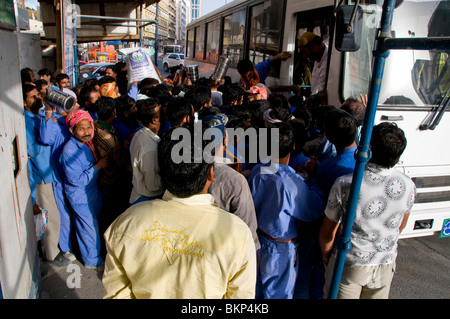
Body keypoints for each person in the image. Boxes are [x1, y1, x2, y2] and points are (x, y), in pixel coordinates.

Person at [102, 122, 257, 299]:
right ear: (211, 173)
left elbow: (117, 294)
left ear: (162, 170)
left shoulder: (126, 223)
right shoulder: (238, 235)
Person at [319, 122, 416, 299]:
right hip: (385, 262)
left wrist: (327, 257)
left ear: (368, 149)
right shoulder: (408, 185)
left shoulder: (347, 183)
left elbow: (327, 233)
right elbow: (401, 224)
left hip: (349, 263)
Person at [248, 122, 324, 299]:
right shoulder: (292, 183)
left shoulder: (258, 170)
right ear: (294, 146)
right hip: (281, 248)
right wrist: (311, 180)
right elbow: (314, 209)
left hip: (259, 241)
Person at [23, 84, 71, 268]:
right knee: (50, 216)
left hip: (50, 171)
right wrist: (47, 130)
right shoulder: (27, 121)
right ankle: (51, 254)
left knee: (55, 213)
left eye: (37, 95)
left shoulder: (36, 117)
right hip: (41, 174)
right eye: (32, 97)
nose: (37, 99)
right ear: (24, 102)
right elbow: (33, 149)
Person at [201, 113, 260, 250]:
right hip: (228, 253)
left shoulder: (187, 170)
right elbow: (248, 231)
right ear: (225, 140)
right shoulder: (236, 180)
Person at [60, 110, 109, 270]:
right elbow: (76, 180)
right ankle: (92, 261)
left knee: (90, 226)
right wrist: (98, 166)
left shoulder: (87, 144)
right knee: (88, 229)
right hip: (81, 195)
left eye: (89, 127)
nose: (87, 132)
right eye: (81, 129)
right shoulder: (69, 151)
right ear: (72, 130)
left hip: (91, 192)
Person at [128, 97, 164, 205]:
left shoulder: (140, 134)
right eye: (161, 113)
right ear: (154, 119)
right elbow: (153, 185)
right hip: (146, 201)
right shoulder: (150, 148)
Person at [298, 32, 328, 96]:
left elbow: (320, 88)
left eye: (305, 52)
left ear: (313, 46)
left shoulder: (327, 62)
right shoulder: (317, 58)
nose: (305, 56)